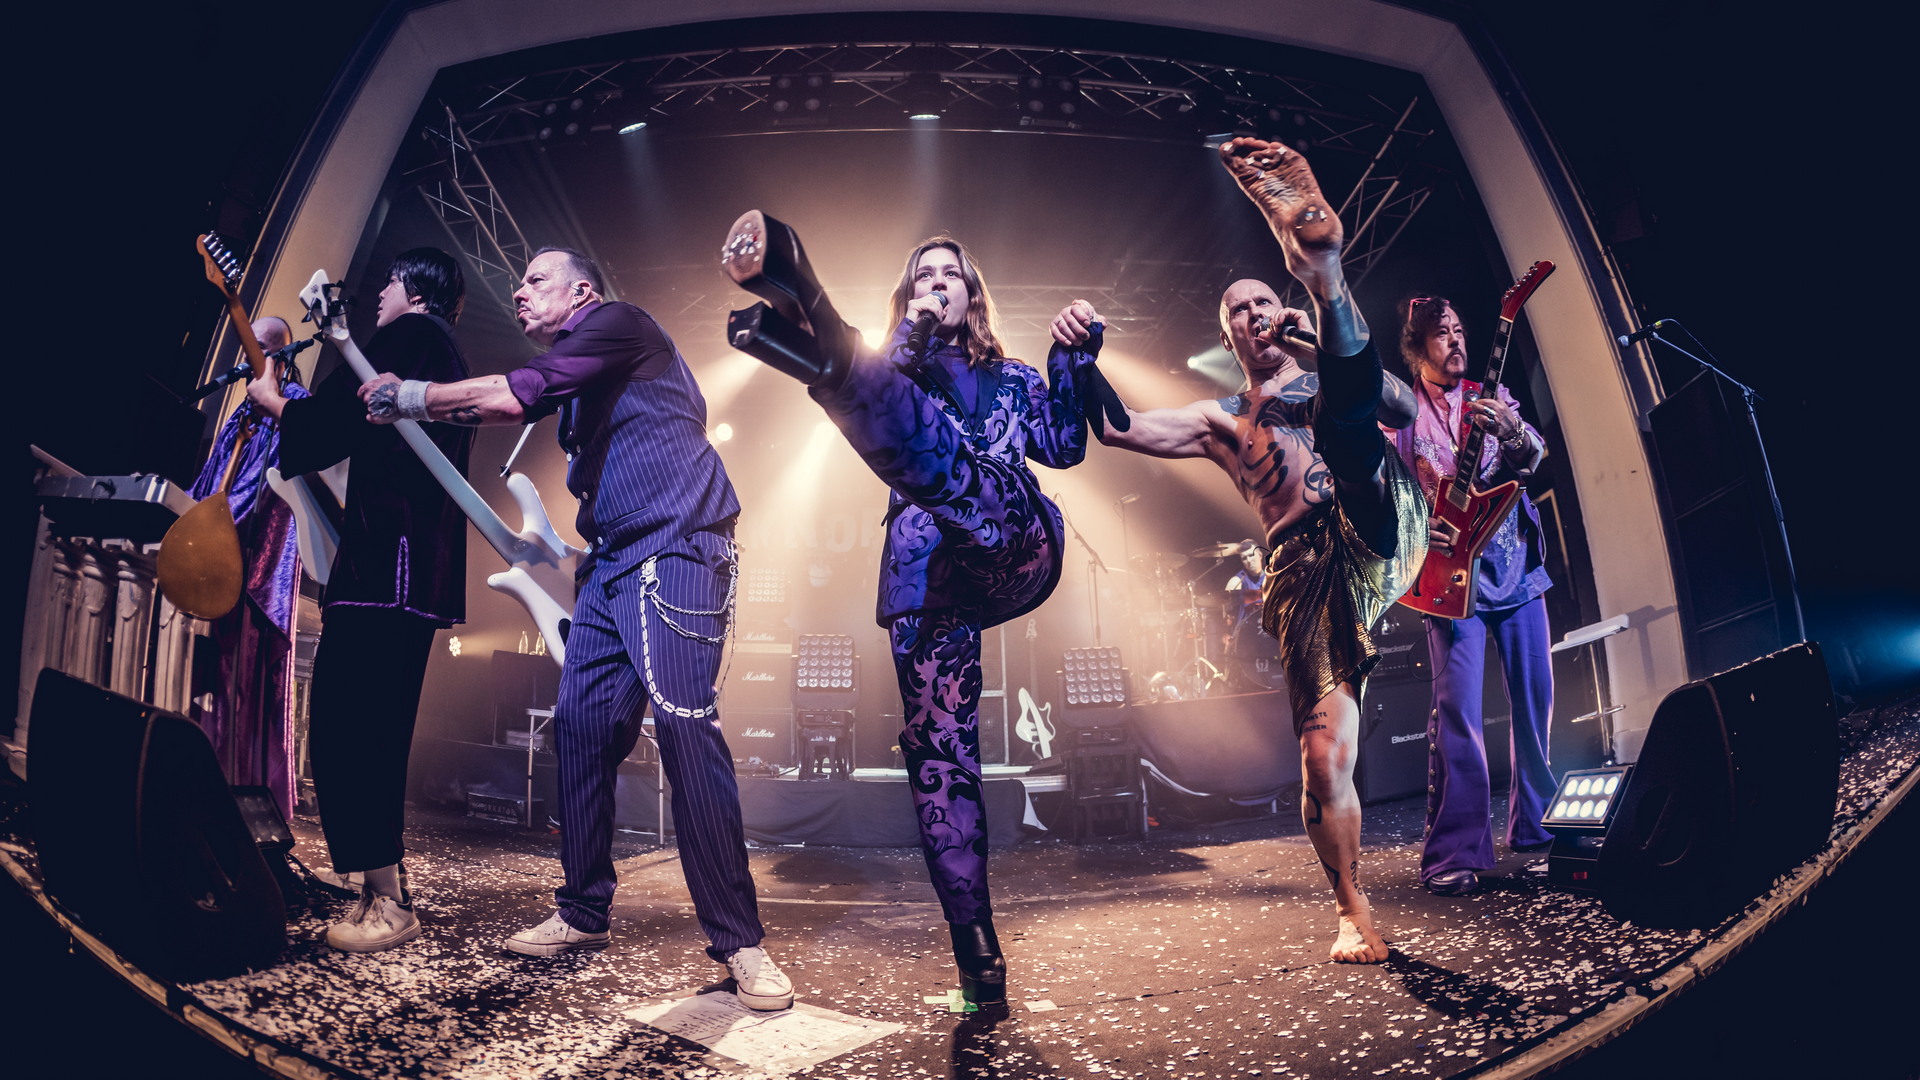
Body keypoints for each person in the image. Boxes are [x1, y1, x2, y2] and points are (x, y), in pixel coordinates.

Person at [356, 246, 793, 1011]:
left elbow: (511, 396)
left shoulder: (620, 323)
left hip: (677, 547)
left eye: (535, 280)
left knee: (683, 725)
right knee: (581, 728)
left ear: (582, 290)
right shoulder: (586, 377)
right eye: (519, 284)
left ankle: (740, 942)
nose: (519, 293)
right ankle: (585, 910)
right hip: (609, 565)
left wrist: (411, 395)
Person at [1055, 137, 1426, 963]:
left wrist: (1317, 337)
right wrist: (1080, 360)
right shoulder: (1223, 419)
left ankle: (1323, 267)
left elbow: (1401, 409)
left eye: (1264, 300)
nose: (1256, 315)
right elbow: (1119, 427)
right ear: (1228, 338)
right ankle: (1351, 907)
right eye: (1239, 313)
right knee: (1324, 758)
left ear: (1282, 309)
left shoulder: (1321, 369)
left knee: (1349, 422)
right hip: (1304, 569)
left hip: (1374, 519)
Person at [720, 213, 1092, 1005]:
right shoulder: (902, 367)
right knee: (939, 755)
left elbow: (1065, 445)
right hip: (930, 574)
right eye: (923, 276)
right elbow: (877, 394)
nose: (936, 284)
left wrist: (1071, 358)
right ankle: (978, 957)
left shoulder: (1014, 377)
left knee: (942, 454)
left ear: (973, 294)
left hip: (1013, 541)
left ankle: (801, 299)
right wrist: (908, 337)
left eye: (949, 274)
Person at [248, 249, 474, 952]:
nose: (381, 294)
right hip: (401, 570)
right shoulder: (437, 346)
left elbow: (339, 422)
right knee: (366, 726)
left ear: (416, 289)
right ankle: (382, 890)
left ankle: (389, 903)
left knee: (355, 724)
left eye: (391, 282)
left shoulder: (413, 334)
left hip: (389, 570)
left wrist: (276, 404)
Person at [1392, 297, 1556, 895]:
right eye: (1442, 334)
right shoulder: (1400, 415)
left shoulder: (1492, 395)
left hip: (1516, 568)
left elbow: (1535, 456)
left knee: (1534, 704)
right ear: (1417, 349)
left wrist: (1510, 428)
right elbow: (1386, 497)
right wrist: (1418, 526)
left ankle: (1538, 828)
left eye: (1460, 330)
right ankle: (1454, 852)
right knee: (1458, 714)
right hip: (1450, 580)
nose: (1457, 341)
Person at [193, 315, 304, 822]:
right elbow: (209, 485)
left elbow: (260, 493)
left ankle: (246, 804)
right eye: (245, 347)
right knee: (210, 683)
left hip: (259, 571)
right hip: (215, 561)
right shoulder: (241, 415)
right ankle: (203, 785)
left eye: (258, 347)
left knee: (246, 690)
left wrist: (205, 526)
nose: (246, 358)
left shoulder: (293, 407)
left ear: (281, 354)